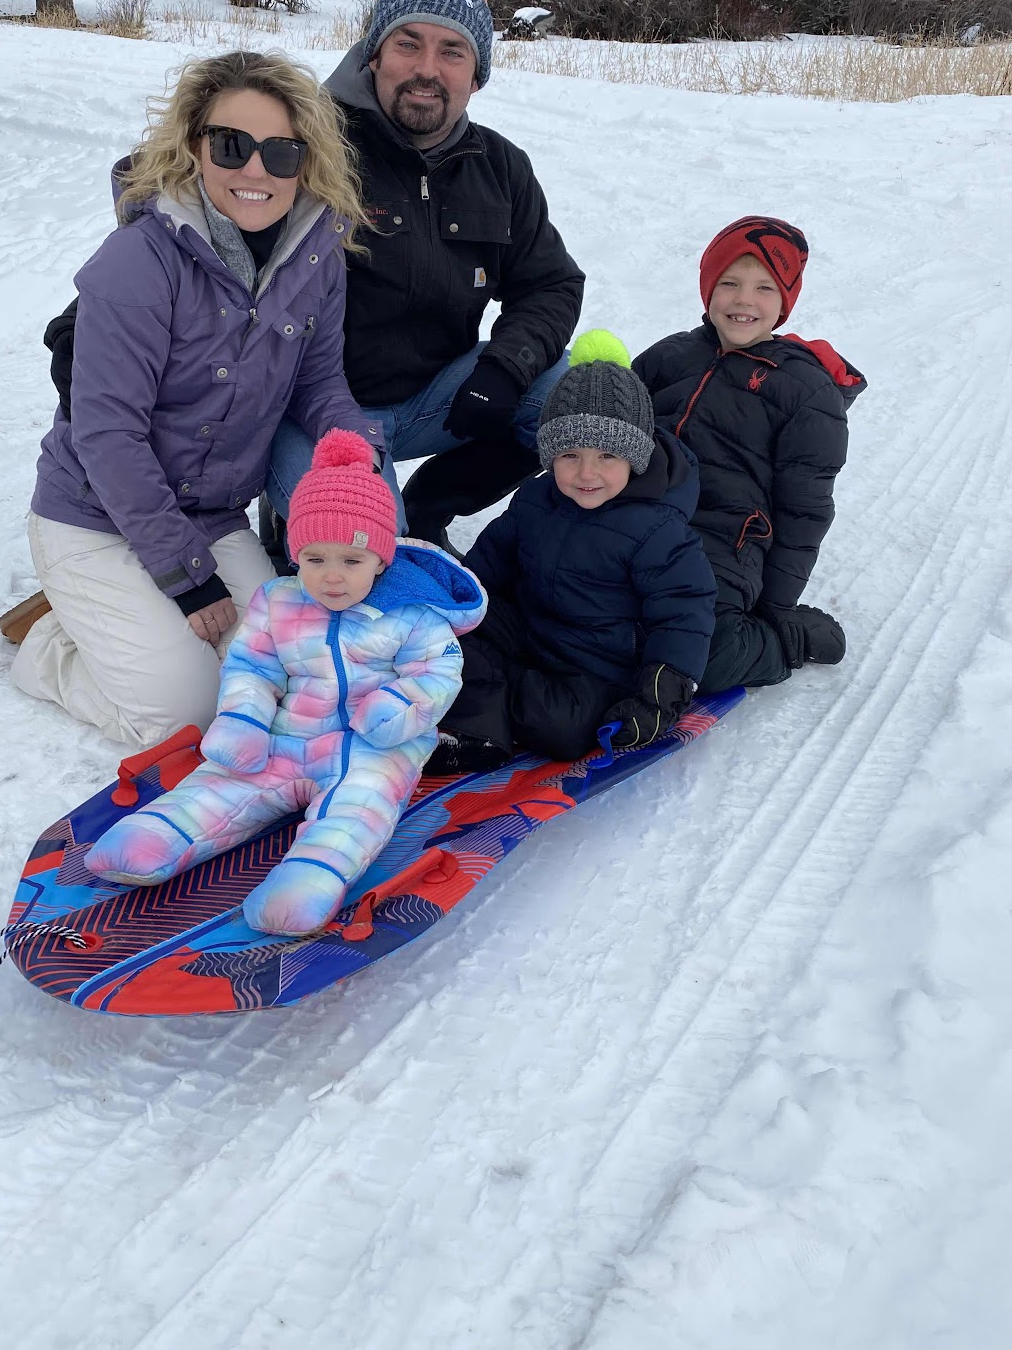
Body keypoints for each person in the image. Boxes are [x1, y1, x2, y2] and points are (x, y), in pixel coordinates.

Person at [11, 51, 383, 747]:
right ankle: (51, 651)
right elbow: (108, 436)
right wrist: (188, 580)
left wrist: (358, 455)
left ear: (305, 162)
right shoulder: (138, 261)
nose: (255, 171)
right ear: (194, 145)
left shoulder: (317, 257)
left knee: (282, 675)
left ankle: (124, 623)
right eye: (231, 145)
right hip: (94, 515)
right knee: (184, 712)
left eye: (281, 152)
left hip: (209, 514)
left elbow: (318, 384)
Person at [85, 430, 487, 936]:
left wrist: (397, 705)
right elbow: (252, 667)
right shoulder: (278, 601)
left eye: (352, 561)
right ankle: (159, 834)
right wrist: (245, 719)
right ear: (296, 554)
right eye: (315, 559)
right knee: (228, 780)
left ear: (382, 560)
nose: (332, 577)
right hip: (287, 734)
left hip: (370, 746)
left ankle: (309, 878)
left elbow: (437, 671)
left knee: (358, 808)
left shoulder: (411, 614)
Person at [268, 0, 586, 548]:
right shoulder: (310, 145)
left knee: (574, 395)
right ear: (373, 54)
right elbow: (202, 220)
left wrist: (505, 368)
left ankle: (433, 505)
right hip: (314, 410)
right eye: (407, 43)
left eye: (452, 51)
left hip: (433, 399)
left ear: (477, 75)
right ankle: (302, 515)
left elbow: (550, 284)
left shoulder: (500, 167)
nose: (426, 70)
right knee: (368, 547)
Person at [430, 332, 717, 774]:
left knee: (560, 730)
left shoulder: (657, 529)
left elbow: (684, 613)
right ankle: (477, 728)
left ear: (634, 457)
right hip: (529, 633)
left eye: (607, 456)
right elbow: (487, 568)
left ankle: (483, 699)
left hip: (597, 669)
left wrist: (659, 695)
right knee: (451, 630)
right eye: (569, 455)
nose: (587, 473)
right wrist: (446, 604)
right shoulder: (536, 499)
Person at [633, 216, 867, 691]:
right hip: (636, 515)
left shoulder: (807, 393)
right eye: (730, 283)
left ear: (784, 301)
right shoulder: (669, 356)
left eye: (764, 287)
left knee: (702, 652)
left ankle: (785, 641)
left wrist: (776, 607)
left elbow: (804, 511)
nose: (744, 300)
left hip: (724, 543)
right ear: (708, 288)